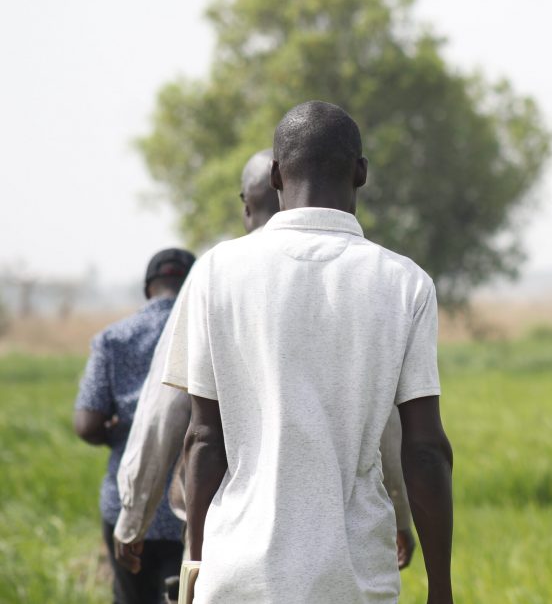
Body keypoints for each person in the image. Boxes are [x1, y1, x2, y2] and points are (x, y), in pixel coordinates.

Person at [167, 101, 454, 603]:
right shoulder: (405, 283)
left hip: (237, 576)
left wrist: (195, 565)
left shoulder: (217, 272)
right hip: (354, 579)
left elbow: (203, 439)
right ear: (360, 173)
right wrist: (441, 588)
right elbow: (425, 449)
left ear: (275, 175)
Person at [113, 149, 416, 585]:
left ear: (249, 202)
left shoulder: (215, 275)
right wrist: (401, 514)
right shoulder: (361, 280)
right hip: (341, 553)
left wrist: (134, 515)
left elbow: (168, 413)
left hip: (233, 546)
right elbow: (386, 422)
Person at [74, 248, 195, 604]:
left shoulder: (114, 338)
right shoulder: (205, 333)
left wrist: (120, 430)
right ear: (194, 285)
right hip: (190, 507)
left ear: (148, 288)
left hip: (127, 503)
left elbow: (85, 423)